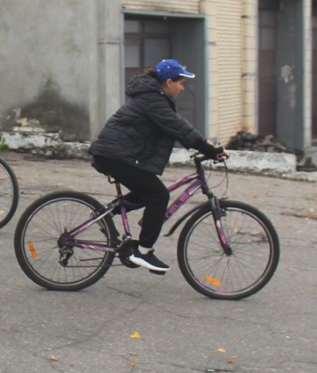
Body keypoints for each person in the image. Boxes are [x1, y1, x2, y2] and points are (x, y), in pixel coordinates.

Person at [89, 58, 226, 273]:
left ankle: (105, 214)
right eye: (180, 83)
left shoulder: (154, 97)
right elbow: (178, 126)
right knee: (159, 195)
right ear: (169, 82)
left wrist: (205, 145)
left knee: (147, 191)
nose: (182, 88)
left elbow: (176, 126)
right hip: (114, 155)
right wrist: (209, 150)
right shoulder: (152, 99)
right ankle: (143, 252)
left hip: (117, 154)